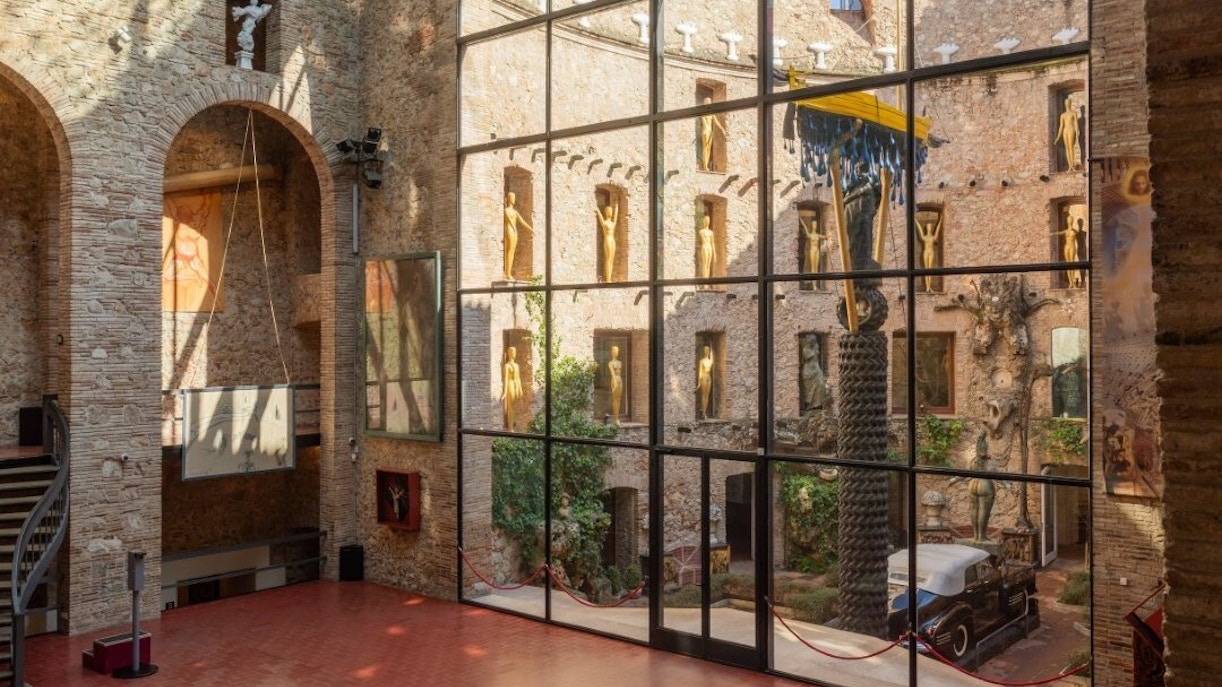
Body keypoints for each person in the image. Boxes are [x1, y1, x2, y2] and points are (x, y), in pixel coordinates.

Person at [1051, 205, 1087, 287]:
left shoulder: (1075, 231)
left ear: (1072, 221)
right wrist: (1052, 233)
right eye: (1068, 220)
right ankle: (1071, 282)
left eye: (1070, 220)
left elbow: (1081, 238)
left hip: (1072, 247)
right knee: (1067, 264)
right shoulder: (1066, 230)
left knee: (1072, 264)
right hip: (1066, 247)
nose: (1069, 221)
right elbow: (1058, 233)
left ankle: (1073, 282)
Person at [503, 192, 533, 280]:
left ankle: (509, 272)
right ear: (508, 199)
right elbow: (510, 222)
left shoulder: (515, 212)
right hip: (510, 230)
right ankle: (507, 273)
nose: (513, 199)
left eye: (514, 197)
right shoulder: (506, 210)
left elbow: (522, 221)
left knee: (512, 252)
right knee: (509, 251)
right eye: (512, 197)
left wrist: (531, 229)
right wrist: (514, 229)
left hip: (514, 231)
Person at [1053, 95, 1083, 170]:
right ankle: (1070, 165)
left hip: (1071, 129)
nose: (1067, 104)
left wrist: (1077, 131)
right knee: (1067, 148)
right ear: (1064, 104)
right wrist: (1058, 137)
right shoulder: (1063, 115)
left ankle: (1072, 165)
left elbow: (1076, 123)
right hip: (1065, 130)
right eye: (1066, 103)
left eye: (1068, 103)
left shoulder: (1073, 113)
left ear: (1070, 103)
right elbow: (1061, 126)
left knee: (1071, 147)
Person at [698, 97, 729, 171]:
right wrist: (705, 131)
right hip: (706, 131)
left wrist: (722, 129)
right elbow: (703, 121)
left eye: (710, 102)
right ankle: (705, 166)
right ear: (704, 102)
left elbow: (716, 121)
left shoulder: (711, 113)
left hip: (710, 131)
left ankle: (706, 165)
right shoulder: (703, 112)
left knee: (708, 149)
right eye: (707, 101)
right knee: (705, 148)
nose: (709, 103)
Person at [915, 215, 943, 292]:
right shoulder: (924, 237)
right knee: (926, 269)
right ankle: (927, 287)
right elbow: (920, 229)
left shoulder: (933, 237)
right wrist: (916, 220)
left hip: (931, 252)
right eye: (928, 226)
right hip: (925, 252)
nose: (929, 228)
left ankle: (929, 287)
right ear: (926, 228)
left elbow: (937, 230)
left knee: (929, 270)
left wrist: (940, 220)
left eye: (930, 227)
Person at [799, 212, 829, 278]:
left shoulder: (818, 235)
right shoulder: (810, 235)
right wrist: (801, 219)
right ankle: (814, 286)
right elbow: (805, 227)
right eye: (814, 224)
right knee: (813, 267)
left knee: (816, 267)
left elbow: (826, 237)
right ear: (812, 225)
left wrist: (826, 241)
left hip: (817, 250)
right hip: (812, 250)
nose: (815, 226)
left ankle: (815, 284)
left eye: (816, 224)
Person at [501, 346, 524, 431]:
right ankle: (510, 427)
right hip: (510, 385)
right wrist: (505, 392)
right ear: (509, 353)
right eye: (512, 352)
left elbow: (518, 378)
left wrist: (520, 389)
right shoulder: (507, 366)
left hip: (516, 386)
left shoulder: (517, 365)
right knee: (510, 407)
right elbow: (506, 379)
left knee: (514, 406)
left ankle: (513, 425)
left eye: (515, 352)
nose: (514, 353)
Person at [596, 202, 618, 282]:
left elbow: (616, 216)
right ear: (606, 212)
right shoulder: (604, 223)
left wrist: (617, 205)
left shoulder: (613, 223)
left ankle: (610, 278)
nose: (611, 213)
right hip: (607, 239)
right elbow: (600, 216)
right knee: (608, 259)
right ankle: (608, 279)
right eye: (609, 211)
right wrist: (597, 209)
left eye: (612, 211)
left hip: (613, 240)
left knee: (611, 259)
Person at [696, 344, 715, 419]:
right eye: (705, 350)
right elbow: (700, 372)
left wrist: (712, 348)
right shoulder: (702, 361)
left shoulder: (710, 361)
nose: (706, 351)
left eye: (707, 350)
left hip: (709, 377)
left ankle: (704, 411)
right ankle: (703, 413)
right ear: (703, 351)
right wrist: (699, 383)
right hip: (703, 376)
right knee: (703, 395)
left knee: (707, 395)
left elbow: (712, 357)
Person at [607, 345, 623, 424]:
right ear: (612, 352)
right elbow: (612, 374)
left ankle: (617, 417)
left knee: (619, 399)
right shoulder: (610, 363)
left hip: (620, 379)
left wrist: (618, 382)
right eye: (615, 350)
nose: (617, 352)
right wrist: (615, 384)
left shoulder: (620, 362)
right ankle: (615, 418)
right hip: (614, 380)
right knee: (615, 399)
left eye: (618, 350)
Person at [697, 215, 717, 280]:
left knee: (708, 265)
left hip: (709, 247)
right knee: (704, 264)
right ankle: (704, 282)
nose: (707, 221)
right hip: (704, 247)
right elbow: (699, 242)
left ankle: (707, 281)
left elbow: (712, 243)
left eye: (708, 220)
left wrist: (714, 254)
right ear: (704, 221)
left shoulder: (711, 232)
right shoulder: (701, 232)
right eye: (706, 220)